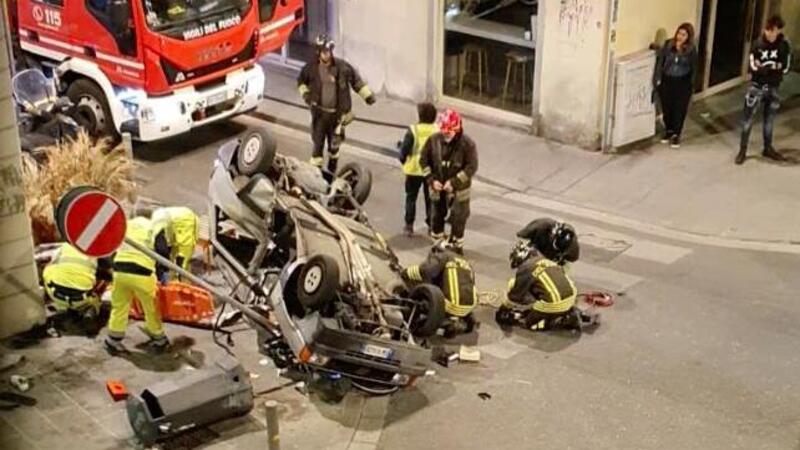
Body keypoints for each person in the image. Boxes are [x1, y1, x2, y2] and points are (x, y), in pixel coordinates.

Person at [297, 34, 376, 178]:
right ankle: (315, 177)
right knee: (317, 147)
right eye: (324, 52)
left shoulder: (342, 67)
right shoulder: (311, 69)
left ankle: (331, 174)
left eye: (328, 51)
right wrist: (307, 96)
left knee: (334, 148)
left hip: (338, 117)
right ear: (318, 52)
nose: (326, 54)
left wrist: (368, 96)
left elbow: (356, 81)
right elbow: (301, 83)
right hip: (319, 115)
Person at [104, 216, 170, 354]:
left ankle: (112, 340)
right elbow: (163, 251)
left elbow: (110, 246)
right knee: (150, 308)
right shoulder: (154, 227)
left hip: (120, 271)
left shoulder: (125, 225)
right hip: (143, 273)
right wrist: (162, 271)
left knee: (119, 307)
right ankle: (159, 339)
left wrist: (115, 265)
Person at [419, 109, 478, 254]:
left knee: (459, 217)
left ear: (457, 129)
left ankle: (457, 247)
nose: (445, 135)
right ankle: (438, 245)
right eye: (444, 131)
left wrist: (454, 182)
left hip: (459, 189)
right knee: (436, 217)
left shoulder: (467, 144)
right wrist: (431, 180)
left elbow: (471, 167)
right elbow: (423, 161)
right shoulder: (433, 141)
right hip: (437, 187)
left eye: (449, 132)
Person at [737, 15, 793, 165]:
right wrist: (772, 67)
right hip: (757, 86)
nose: (769, 34)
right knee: (747, 120)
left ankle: (767, 148)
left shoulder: (784, 45)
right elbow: (753, 66)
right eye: (768, 30)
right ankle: (742, 150)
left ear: (778, 30)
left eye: (773, 31)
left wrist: (767, 67)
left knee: (769, 120)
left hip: (774, 86)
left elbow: (786, 67)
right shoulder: (757, 44)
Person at [402, 241, 478, 336]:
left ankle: (443, 323)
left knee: (422, 292)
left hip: (450, 305)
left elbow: (426, 270)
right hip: (469, 307)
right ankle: (459, 318)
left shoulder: (441, 256)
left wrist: (406, 272)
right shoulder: (466, 263)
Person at [495, 248, 581, 332]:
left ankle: (561, 319)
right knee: (539, 286)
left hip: (554, 303)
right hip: (572, 296)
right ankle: (566, 312)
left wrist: (504, 308)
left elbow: (515, 296)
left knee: (528, 322)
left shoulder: (525, 269)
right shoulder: (545, 260)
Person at [654, 23, 698, 149]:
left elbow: (694, 67)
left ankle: (676, 134)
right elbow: (660, 61)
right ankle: (668, 130)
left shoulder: (690, 50)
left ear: (688, 37)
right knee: (667, 107)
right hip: (668, 79)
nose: (680, 37)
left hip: (682, 82)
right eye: (679, 33)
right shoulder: (668, 45)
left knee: (679, 108)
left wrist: (692, 84)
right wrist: (658, 78)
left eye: (684, 35)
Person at [398, 102, 438, 236]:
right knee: (430, 199)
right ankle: (431, 226)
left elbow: (404, 150)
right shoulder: (437, 131)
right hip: (431, 172)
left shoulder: (413, 130)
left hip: (414, 170)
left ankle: (409, 226)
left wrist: (403, 160)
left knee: (411, 198)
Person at [42, 243, 112, 318]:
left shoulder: (65, 245)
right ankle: (91, 308)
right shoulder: (98, 250)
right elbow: (108, 272)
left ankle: (52, 299)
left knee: (49, 270)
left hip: (56, 296)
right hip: (81, 300)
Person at [151, 206, 199, 280]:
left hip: (184, 221)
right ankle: (175, 277)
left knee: (182, 258)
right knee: (175, 256)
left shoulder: (155, 229)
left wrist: (164, 270)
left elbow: (162, 251)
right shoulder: (154, 222)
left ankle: (180, 279)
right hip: (176, 221)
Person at [514, 218, 579, 265]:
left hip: (557, 260)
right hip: (539, 246)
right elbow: (521, 235)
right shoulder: (540, 226)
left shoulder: (572, 250)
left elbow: (573, 259)